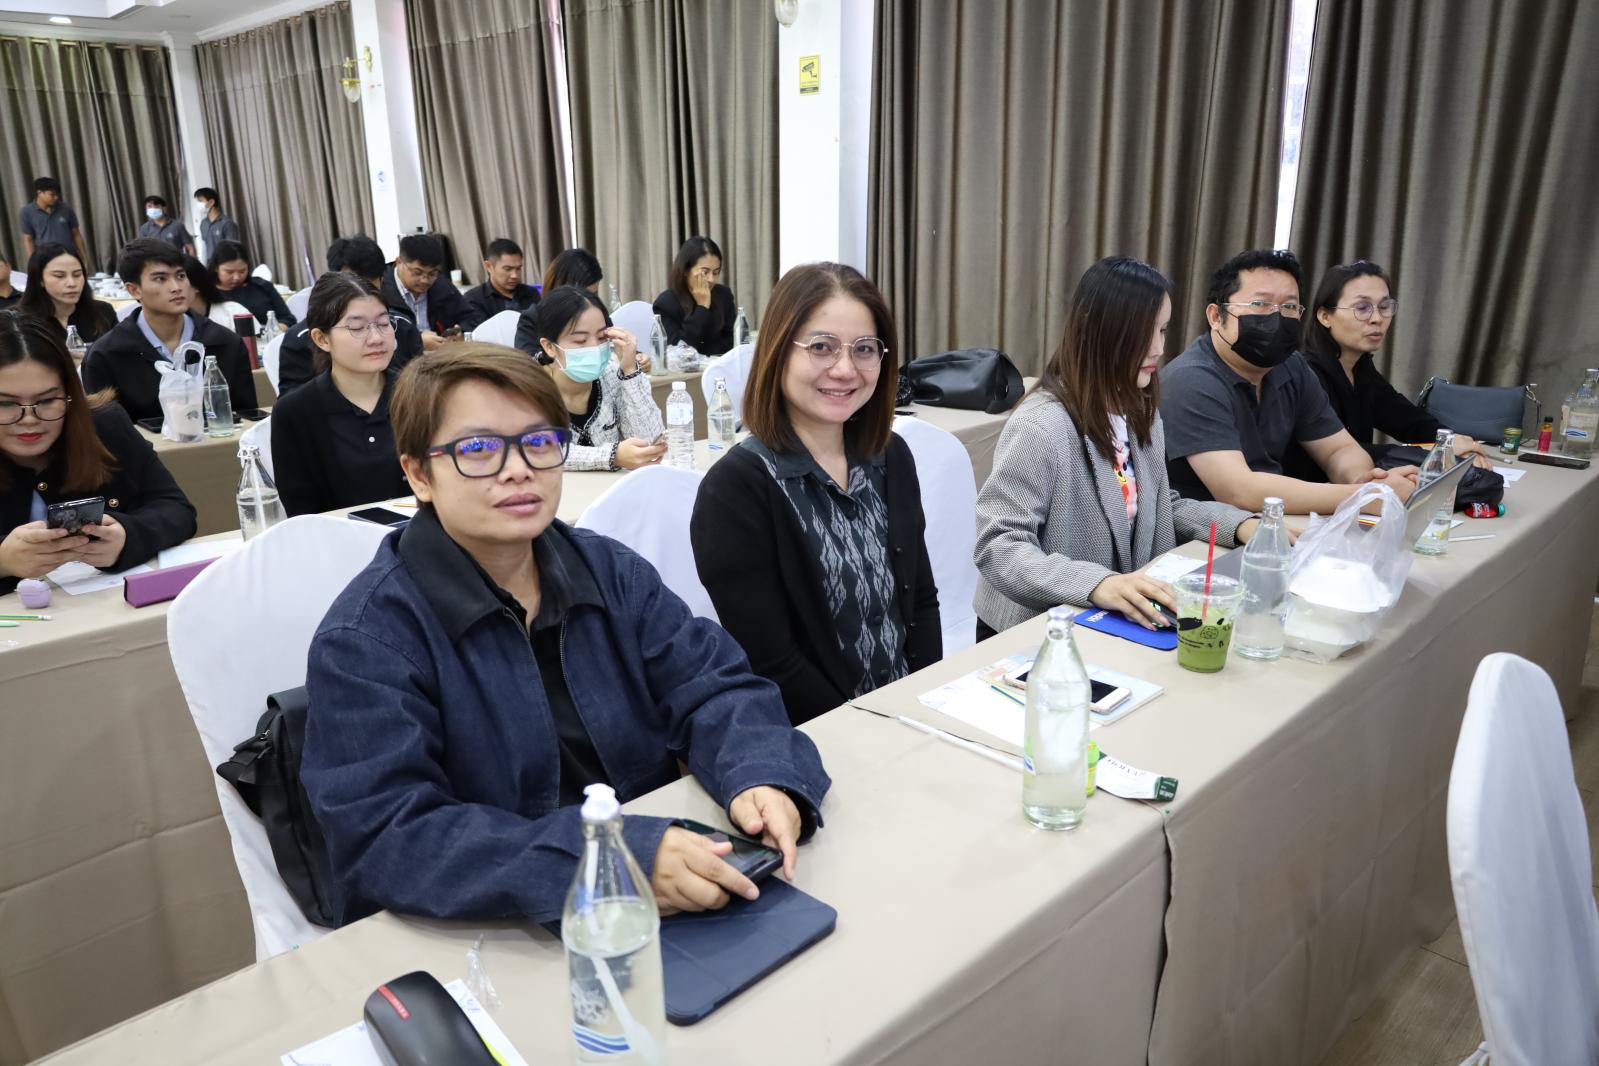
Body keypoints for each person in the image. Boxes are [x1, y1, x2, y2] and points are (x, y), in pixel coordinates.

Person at [299, 343, 830, 924]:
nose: (518, 469)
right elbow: (388, 835)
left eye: (539, 442)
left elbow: (716, 686)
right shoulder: (366, 638)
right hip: (494, 927)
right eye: (478, 449)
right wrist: (605, 860)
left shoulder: (609, 571)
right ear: (419, 475)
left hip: (664, 882)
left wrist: (760, 771)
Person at [691, 262, 940, 725]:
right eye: (822, 347)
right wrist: (871, 731)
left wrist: (923, 708)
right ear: (778, 351)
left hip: (909, 717)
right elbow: (774, 663)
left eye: (864, 349)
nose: (845, 369)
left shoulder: (891, 457)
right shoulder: (735, 490)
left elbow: (920, 602)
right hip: (815, 734)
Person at [975, 257, 1265, 636]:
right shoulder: (1041, 426)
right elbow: (998, 546)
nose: (1158, 347)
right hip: (1037, 631)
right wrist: (1097, 584)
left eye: (1163, 330)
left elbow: (1158, 506)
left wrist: (1239, 525)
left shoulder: (1140, 412)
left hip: (1109, 619)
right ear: (1100, 332)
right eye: (1144, 332)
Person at [1158, 248, 1416, 514]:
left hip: (1271, 519)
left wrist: (1363, 479)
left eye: (1290, 307)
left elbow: (1337, 450)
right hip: (1205, 529)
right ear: (1216, 316)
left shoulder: (1292, 367)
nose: (1277, 316)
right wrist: (1364, 496)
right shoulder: (1191, 379)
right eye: (1260, 304)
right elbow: (1238, 491)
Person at [0, 310, 195, 596]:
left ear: (70, 395)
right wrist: (3, 561)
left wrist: (126, 537)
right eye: (5, 404)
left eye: (47, 400)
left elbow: (175, 509)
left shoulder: (104, 425)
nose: (29, 419)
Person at [1286, 259, 1489, 480]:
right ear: (1325, 316)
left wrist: (1451, 441)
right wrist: (1438, 451)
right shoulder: (1306, 372)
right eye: (1362, 308)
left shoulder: (1361, 369)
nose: (1377, 319)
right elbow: (1335, 453)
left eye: (1384, 307)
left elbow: (1408, 420)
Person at [270, 274, 410, 517]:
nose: (376, 338)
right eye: (357, 328)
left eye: (384, 323)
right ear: (322, 339)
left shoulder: (420, 394)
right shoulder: (295, 412)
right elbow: (302, 512)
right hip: (336, 537)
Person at [81, 239, 257, 422]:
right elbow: (106, 430)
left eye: (180, 276)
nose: (176, 287)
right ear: (134, 290)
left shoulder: (226, 343)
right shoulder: (106, 355)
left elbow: (248, 420)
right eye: (160, 279)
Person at [514, 286, 665, 470]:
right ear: (550, 347)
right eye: (580, 341)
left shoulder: (612, 375)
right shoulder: (526, 387)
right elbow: (539, 449)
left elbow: (651, 441)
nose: (594, 347)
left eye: (602, 337)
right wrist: (613, 456)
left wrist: (630, 370)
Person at [277, 236, 424, 398]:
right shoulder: (300, 338)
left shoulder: (402, 326)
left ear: (381, 281)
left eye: (368, 285)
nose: (359, 291)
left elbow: (420, 390)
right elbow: (293, 403)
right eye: (357, 328)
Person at [381, 233, 484, 346]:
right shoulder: (380, 289)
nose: (425, 280)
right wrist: (416, 341)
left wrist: (461, 330)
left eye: (432, 273)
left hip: (440, 352)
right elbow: (377, 335)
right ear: (399, 262)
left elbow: (471, 318)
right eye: (417, 273)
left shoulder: (441, 285)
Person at [16, 244, 117, 349]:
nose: (72, 283)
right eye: (59, 276)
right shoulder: (20, 321)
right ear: (40, 279)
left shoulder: (103, 311)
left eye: (77, 275)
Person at [653, 236, 736, 355]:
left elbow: (731, 342)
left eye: (716, 272)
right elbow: (679, 350)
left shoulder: (723, 294)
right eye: (705, 272)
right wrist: (702, 307)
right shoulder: (665, 303)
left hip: (722, 364)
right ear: (686, 270)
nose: (711, 279)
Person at [209, 240, 295, 328]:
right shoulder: (208, 293)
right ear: (216, 268)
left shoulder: (262, 286)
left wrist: (275, 329)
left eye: (242, 271)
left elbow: (288, 318)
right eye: (229, 272)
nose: (236, 277)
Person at [19, 177, 90, 267]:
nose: (56, 197)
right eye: (52, 194)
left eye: (57, 194)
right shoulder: (26, 212)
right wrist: (32, 262)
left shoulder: (66, 209)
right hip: (45, 258)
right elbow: (28, 239)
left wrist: (84, 258)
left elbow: (76, 234)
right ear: (39, 192)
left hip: (69, 255)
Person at [463, 238, 540, 322]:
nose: (514, 275)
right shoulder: (473, 299)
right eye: (508, 269)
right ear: (488, 266)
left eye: (518, 269)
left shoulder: (531, 293)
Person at [191, 187, 241, 255]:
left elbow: (233, 249)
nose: (198, 204)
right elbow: (205, 246)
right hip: (210, 261)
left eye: (200, 201)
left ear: (211, 202)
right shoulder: (203, 223)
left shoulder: (227, 223)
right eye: (197, 201)